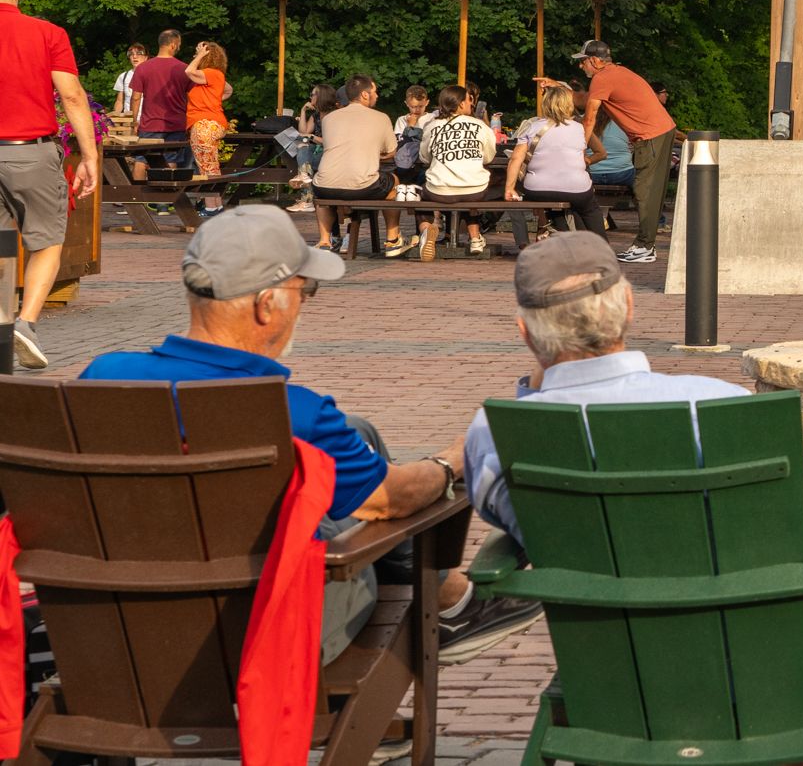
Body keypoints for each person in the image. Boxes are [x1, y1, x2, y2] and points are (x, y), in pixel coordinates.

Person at [79, 207, 540, 663]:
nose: (305, 303)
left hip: (112, 618)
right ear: (266, 305)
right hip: (262, 628)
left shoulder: (103, 377)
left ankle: (455, 603)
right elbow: (392, 500)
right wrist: (454, 459)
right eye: (306, 290)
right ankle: (452, 608)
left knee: (353, 436)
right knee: (368, 512)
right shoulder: (291, 413)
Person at [462, 232, 803, 659]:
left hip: (610, 664)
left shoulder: (494, 433)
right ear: (630, 306)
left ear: (525, 333)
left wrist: (538, 392)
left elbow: (516, 522)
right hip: (764, 659)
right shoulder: (720, 405)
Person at [0, 0, 99, 372]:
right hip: (30, 152)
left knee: (1, 242)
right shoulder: (47, 33)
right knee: (46, 242)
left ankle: (1, 323)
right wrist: (89, 156)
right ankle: (25, 323)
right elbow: (72, 97)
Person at [547, 40, 673, 264]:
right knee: (647, 192)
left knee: (645, 192)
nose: (580, 66)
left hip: (650, 136)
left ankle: (645, 246)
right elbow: (585, 101)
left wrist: (579, 151)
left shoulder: (602, 78)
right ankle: (644, 245)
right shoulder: (614, 74)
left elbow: (589, 118)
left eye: (583, 61)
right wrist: (559, 86)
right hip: (657, 132)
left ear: (595, 60)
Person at [312, 75, 402, 256]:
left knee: (322, 184)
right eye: (375, 92)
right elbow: (391, 151)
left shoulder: (329, 119)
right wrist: (370, 154)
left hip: (325, 186)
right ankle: (392, 239)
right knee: (394, 181)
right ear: (364, 95)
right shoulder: (381, 117)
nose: (377, 96)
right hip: (363, 186)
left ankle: (324, 240)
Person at [505, 85, 605, 237]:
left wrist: (509, 188)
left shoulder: (531, 127)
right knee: (590, 209)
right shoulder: (580, 128)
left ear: (545, 104)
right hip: (576, 188)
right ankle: (601, 245)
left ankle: (560, 233)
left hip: (538, 189)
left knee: (551, 202)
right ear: (569, 105)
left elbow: (516, 159)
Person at [419, 85, 497, 259]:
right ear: (461, 104)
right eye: (469, 100)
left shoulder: (433, 126)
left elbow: (424, 157)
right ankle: (475, 237)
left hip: (440, 190)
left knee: (417, 192)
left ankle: (426, 230)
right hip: (475, 191)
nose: (472, 103)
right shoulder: (480, 126)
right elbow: (489, 157)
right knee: (473, 185)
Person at [130, 28, 192, 177]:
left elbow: (136, 97)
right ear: (173, 44)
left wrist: (134, 122)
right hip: (175, 123)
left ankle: (136, 198)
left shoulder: (143, 68)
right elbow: (191, 97)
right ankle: (166, 197)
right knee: (170, 159)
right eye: (179, 44)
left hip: (150, 122)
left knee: (141, 159)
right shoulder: (184, 69)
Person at [184, 41, 233, 209]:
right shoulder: (215, 76)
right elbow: (229, 90)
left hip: (204, 125)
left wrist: (199, 55)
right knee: (212, 167)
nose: (194, 56)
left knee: (205, 169)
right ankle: (217, 206)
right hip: (213, 123)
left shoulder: (211, 73)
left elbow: (188, 71)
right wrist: (213, 101)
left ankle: (211, 207)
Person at [113, 42, 147, 116]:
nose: (134, 56)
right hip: (129, 122)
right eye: (131, 54)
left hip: (147, 121)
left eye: (139, 53)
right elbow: (119, 101)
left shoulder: (152, 75)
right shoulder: (123, 76)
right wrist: (116, 118)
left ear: (146, 57)